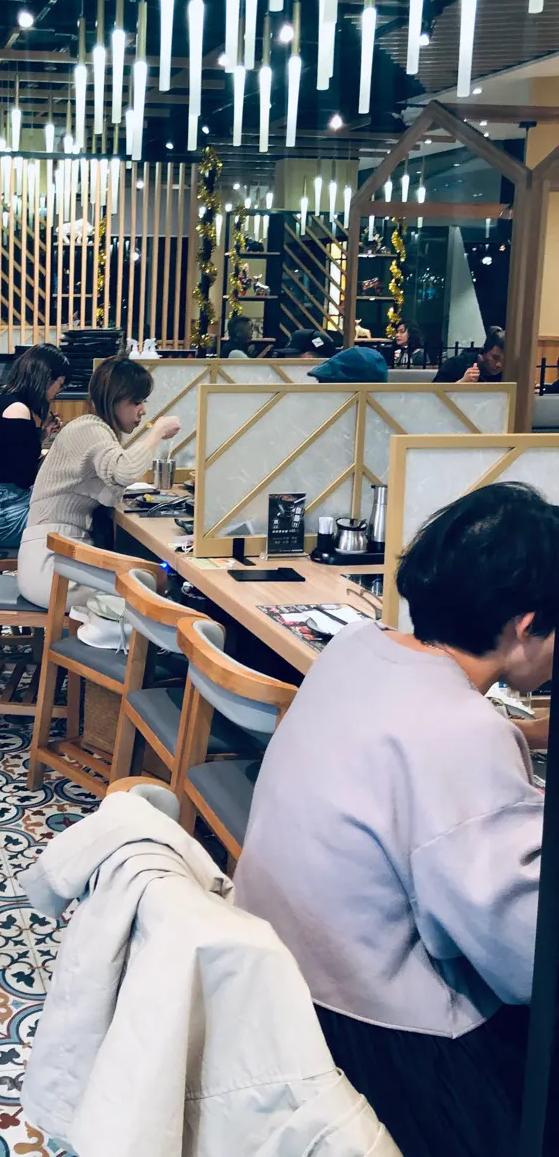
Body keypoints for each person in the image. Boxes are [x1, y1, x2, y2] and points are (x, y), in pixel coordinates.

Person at [234, 483, 556, 1157]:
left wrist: (523, 737)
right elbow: (525, 959)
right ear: (526, 626)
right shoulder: (465, 737)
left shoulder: (357, 648)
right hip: (378, 1043)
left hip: (275, 981)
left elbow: (415, 761)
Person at [17, 356, 180, 608]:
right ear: (113, 400)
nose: (143, 411)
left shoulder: (93, 429)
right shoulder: (90, 429)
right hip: (51, 569)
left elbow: (108, 491)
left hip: (49, 561)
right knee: (150, 585)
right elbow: (124, 471)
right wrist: (156, 433)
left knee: (145, 577)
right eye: (136, 402)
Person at [0, 344, 70, 550]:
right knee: (76, 524)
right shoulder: (17, 411)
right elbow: (25, 477)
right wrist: (58, 453)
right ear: (46, 379)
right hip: (4, 518)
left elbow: (10, 458)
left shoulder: (4, 402)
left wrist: (41, 436)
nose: (57, 392)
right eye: (59, 384)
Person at [434, 326, 504, 384]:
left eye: (505, 361)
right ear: (484, 351)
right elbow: (433, 394)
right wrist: (461, 383)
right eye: (495, 358)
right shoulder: (455, 365)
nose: (499, 365)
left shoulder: (506, 374)